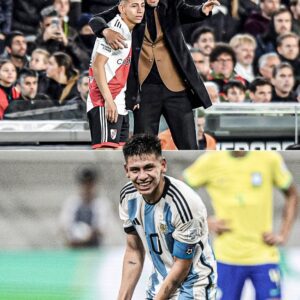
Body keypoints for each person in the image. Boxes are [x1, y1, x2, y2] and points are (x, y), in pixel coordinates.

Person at [89, 0, 220, 150]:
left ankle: (191, 174)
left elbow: (190, 11)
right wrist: (106, 31)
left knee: (189, 146)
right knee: (144, 148)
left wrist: (202, 9)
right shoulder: (133, 5)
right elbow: (95, 20)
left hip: (176, 87)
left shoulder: (171, 4)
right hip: (144, 89)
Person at [183, 151, 298, 300]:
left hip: (264, 255)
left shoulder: (269, 158)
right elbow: (177, 192)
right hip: (225, 258)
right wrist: (203, 221)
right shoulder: (210, 160)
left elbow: (292, 194)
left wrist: (283, 234)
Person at [119, 134, 216, 299]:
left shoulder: (185, 204)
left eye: (149, 167)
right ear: (126, 170)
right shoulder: (128, 196)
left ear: (162, 165)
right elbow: (134, 251)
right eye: (135, 169)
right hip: (160, 280)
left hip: (193, 285)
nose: (142, 176)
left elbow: (182, 266)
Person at [87, 0, 145, 150]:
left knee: (120, 157)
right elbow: (97, 66)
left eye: (142, 5)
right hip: (104, 102)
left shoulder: (129, 30)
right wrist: (108, 100)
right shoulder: (114, 30)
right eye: (134, 5)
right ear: (122, 8)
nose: (140, 10)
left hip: (119, 103)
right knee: (105, 156)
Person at [60, 166, 110, 248]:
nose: (87, 187)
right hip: (73, 248)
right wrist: (74, 236)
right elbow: (64, 226)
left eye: (90, 183)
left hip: (94, 249)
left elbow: (102, 228)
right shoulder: (72, 203)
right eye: (84, 183)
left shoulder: (101, 204)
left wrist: (88, 234)